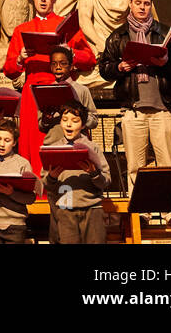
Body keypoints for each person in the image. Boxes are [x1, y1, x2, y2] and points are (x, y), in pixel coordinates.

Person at [98, 0, 171, 193]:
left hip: (162, 109)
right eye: (138, 3)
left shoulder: (165, 33)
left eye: (146, 4)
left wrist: (166, 61)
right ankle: (141, 215)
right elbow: (104, 68)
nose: (142, 8)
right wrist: (120, 67)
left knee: (168, 164)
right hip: (134, 111)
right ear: (130, 4)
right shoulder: (118, 36)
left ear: (151, 6)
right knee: (135, 168)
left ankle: (169, 213)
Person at [2, 0, 95, 172]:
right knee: (33, 146)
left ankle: (64, 190)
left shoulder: (66, 26)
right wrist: (20, 58)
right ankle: (36, 194)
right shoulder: (22, 29)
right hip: (32, 94)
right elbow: (9, 70)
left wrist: (71, 52)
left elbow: (90, 60)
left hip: (62, 90)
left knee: (63, 140)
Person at [44, 103, 111, 243]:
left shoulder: (93, 147)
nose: (69, 124)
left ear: (82, 125)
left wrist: (94, 173)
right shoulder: (54, 148)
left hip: (92, 208)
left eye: (75, 121)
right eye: (65, 120)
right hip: (65, 209)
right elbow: (45, 183)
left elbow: (106, 180)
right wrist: (52, 177)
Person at [38, 45, 99, 145]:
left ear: (71, 66)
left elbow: (94, 122)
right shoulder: (46, 91)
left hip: (78, 144)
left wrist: (79, 113)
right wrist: (46, 119)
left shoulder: (82, 90)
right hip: (53, 143)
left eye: (63, 64)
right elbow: (41, 125)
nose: (58, 67)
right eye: (54, 64)